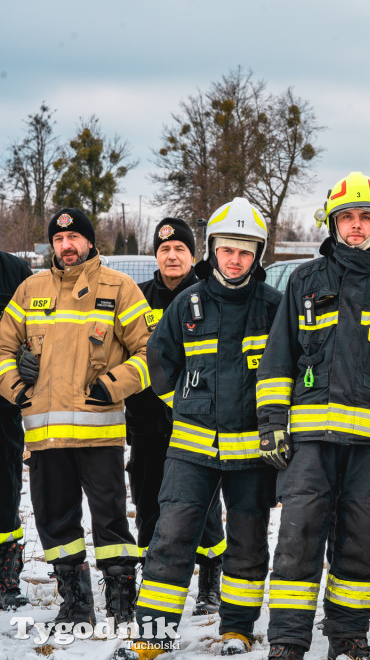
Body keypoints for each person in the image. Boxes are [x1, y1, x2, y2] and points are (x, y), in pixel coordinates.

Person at [258, 172, 370, 660]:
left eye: (365, 217)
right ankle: (288, 639)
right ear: (333, 223)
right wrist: (272, 423)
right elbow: (277, 359)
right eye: (347, 217)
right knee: (298, 537)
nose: (356, 225)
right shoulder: (304, 281)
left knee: (361, 542)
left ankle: (349, 636)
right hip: (310, 444)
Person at [117, 199, 282, 660]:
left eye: (245, 252)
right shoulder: (187, 304)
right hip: (191, 449)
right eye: (227, 249)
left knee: (248, 541)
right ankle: (153, 636)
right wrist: (186, 406)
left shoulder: (274, 307)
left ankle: (238, 629)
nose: (235, 260)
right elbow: (159, 362)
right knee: (170, 537)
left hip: (252, 452)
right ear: (211, 250)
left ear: (258, 255)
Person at [0, 207, 151, 629]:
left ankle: (122, 600)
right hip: (45, 436)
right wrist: (17, 388)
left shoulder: (119, 288)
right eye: (59, 240)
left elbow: (150, 352)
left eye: (74, 238)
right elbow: (2, 349)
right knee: (54, 521)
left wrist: (112, 386)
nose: (66, 246)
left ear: (89, 241)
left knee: (111, 521)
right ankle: (75, 602)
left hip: (98, 433)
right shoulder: (30, 289)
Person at [125, 218, 226, 617]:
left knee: (204, 504)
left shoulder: (208, 294)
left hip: (197, 420)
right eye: (164, 249)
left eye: (179, 249)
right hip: (147, 419)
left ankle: (210, 579)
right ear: (155, 255)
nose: (171, 255)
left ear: (193, 255)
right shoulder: (137, 297)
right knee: (147, 498)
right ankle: (151, 576)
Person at [0, 250, 31, 611]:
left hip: (4, 404)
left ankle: (6, 574)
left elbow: (34, 329)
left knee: (6, 486)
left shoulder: (15, 270)